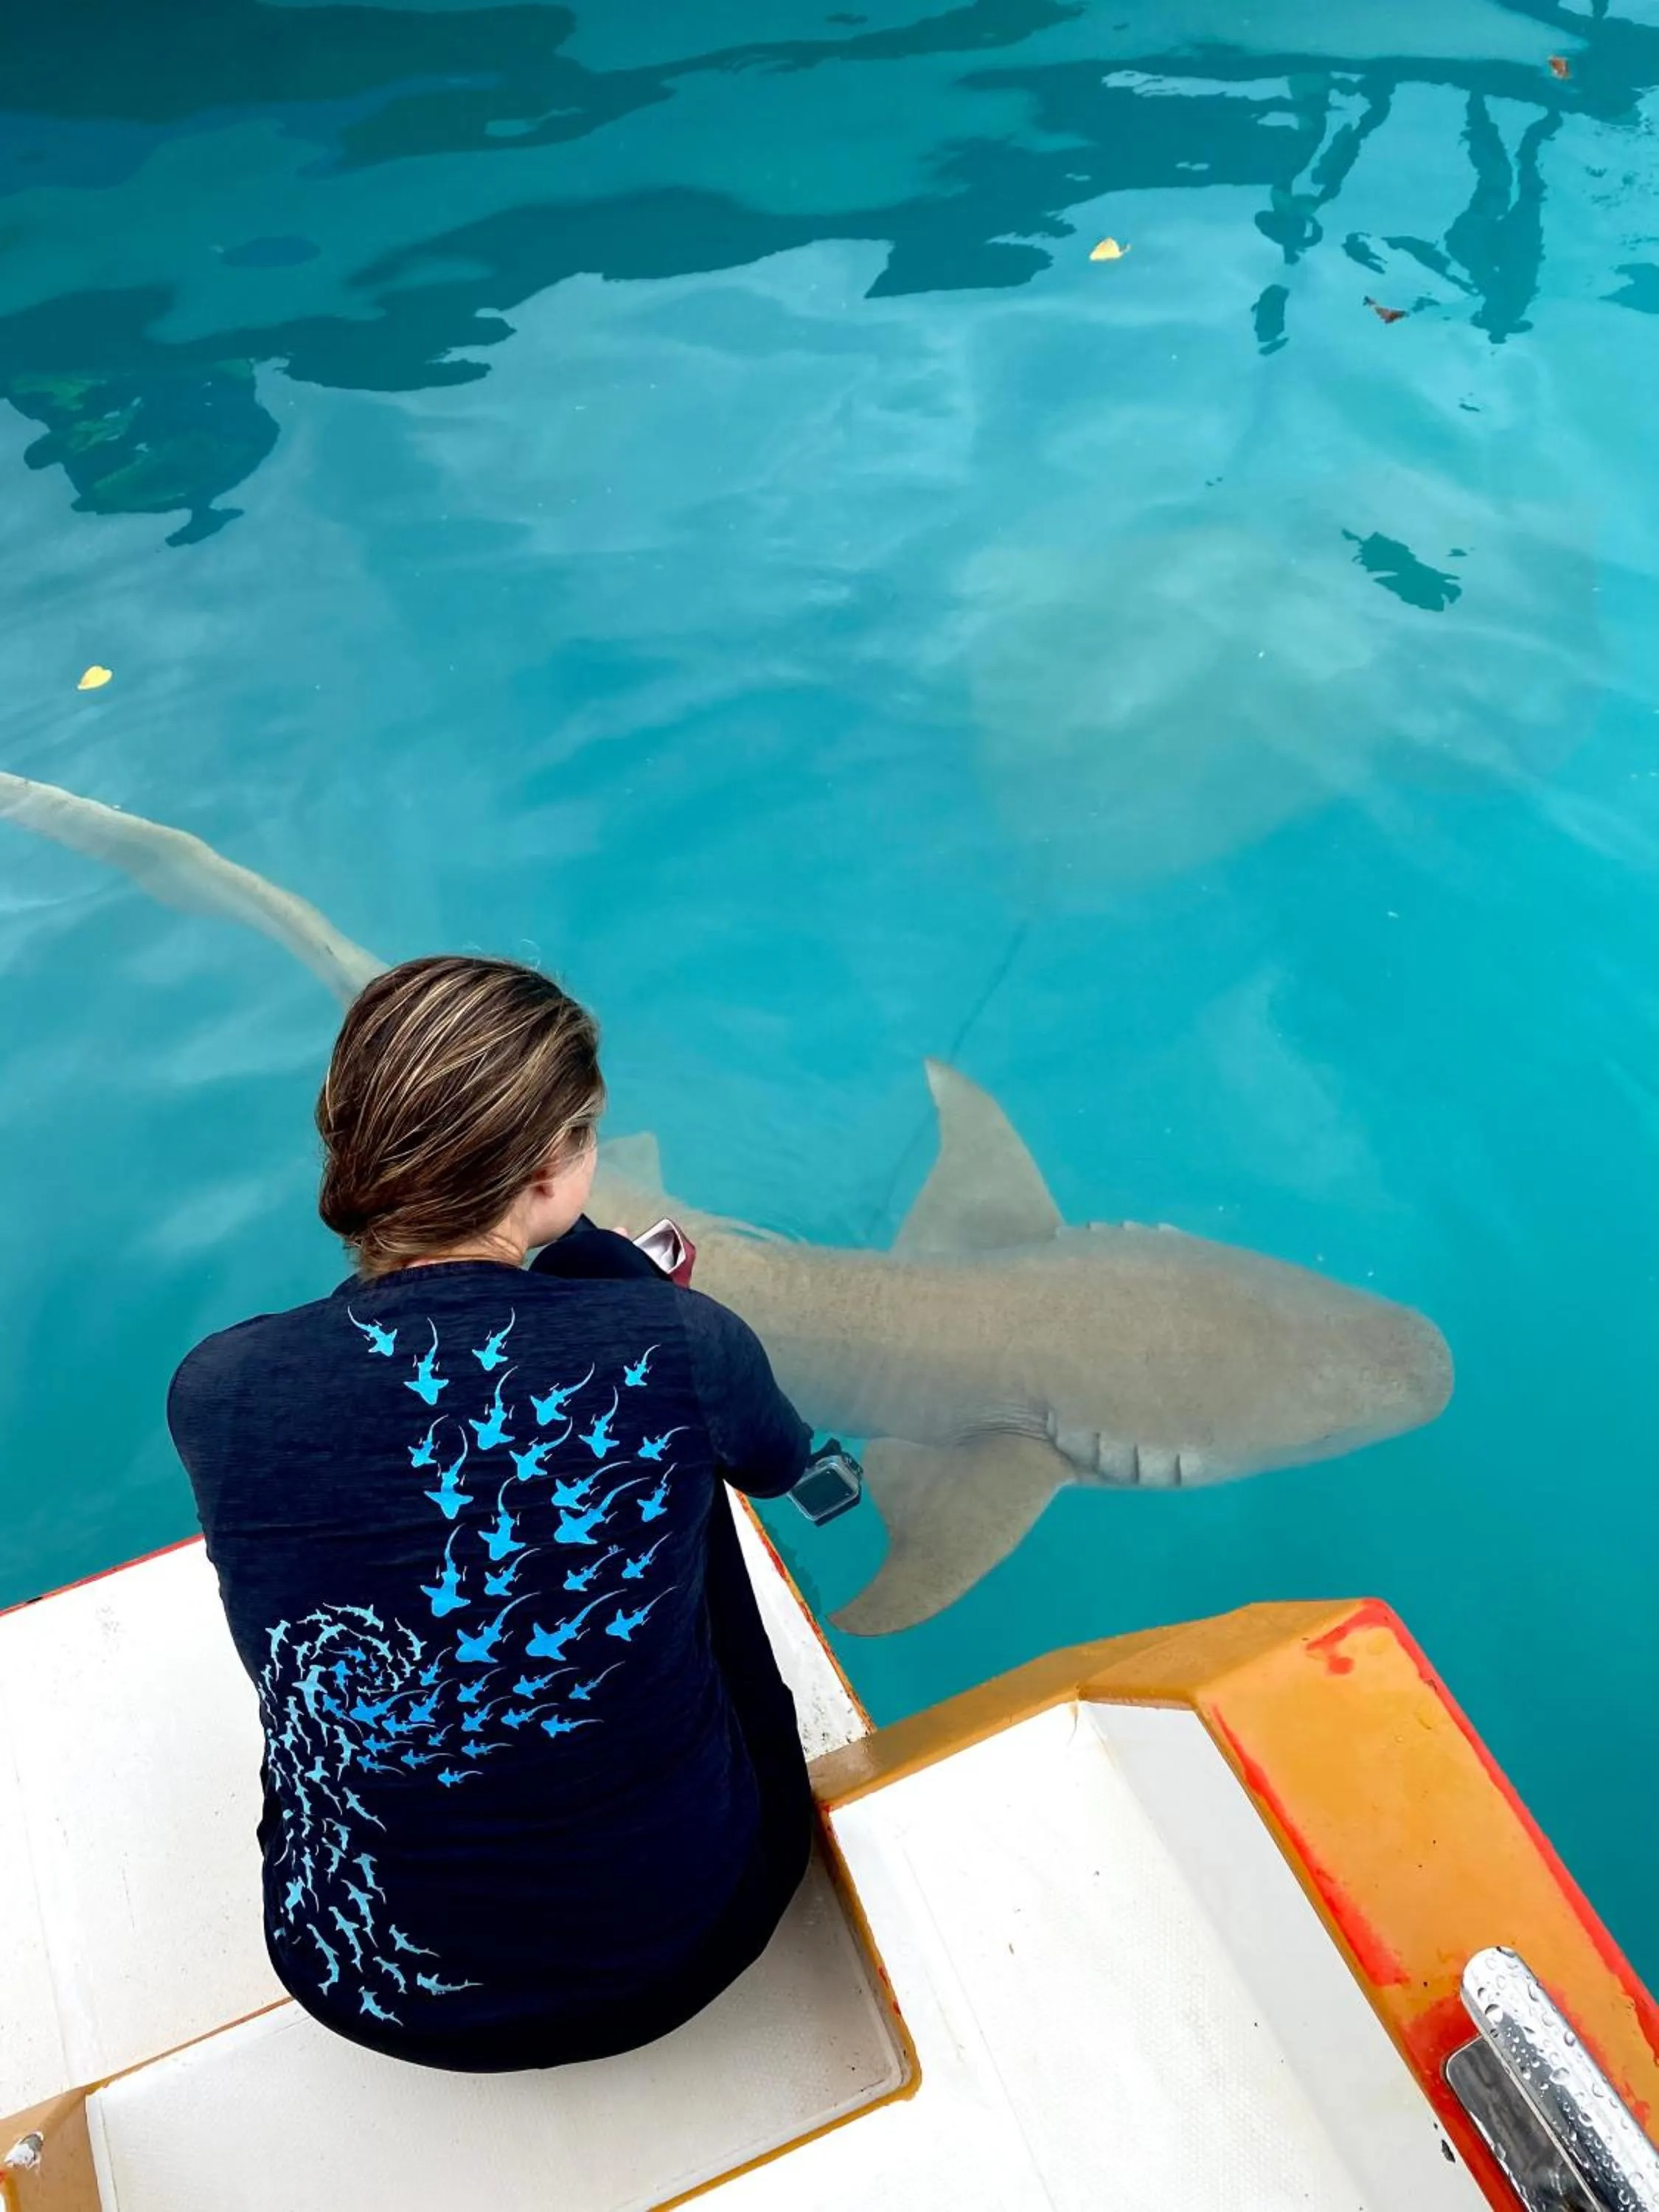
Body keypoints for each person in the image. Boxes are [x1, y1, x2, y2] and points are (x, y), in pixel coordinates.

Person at [167, 955, 819, 2071]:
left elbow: (391, 1425)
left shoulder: (217, 1387)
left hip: (356, 1977)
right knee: (673, 1474)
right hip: (687, 1941)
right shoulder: (681, 1341)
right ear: (553, 1172)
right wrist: (635, 1303)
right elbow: (779, 1466)